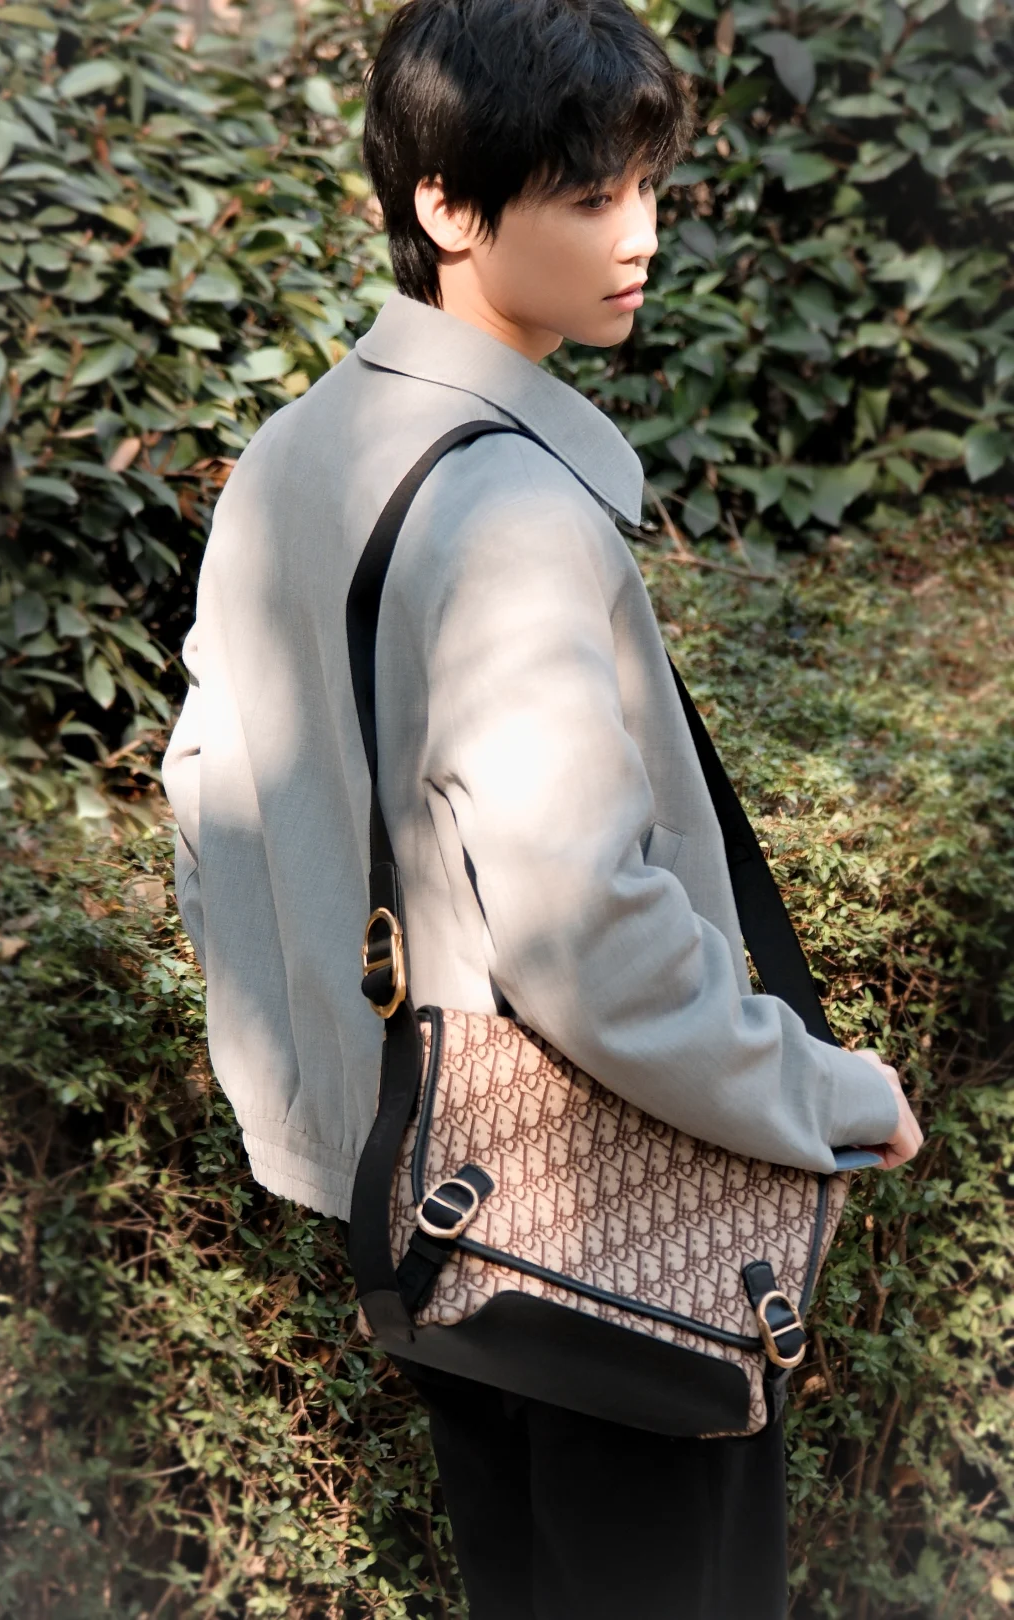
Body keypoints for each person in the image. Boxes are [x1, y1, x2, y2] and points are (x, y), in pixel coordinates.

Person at [161, 1, 924, 1613]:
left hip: (433, 1207)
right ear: (447, 205)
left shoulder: (290, 455)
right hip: (606, 1239)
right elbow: (592, 934)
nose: (639, 237)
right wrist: (825, 1091)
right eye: (590, 196)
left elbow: (210, 809)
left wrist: (333, 1120)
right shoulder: (508, 502)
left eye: (649, 188)